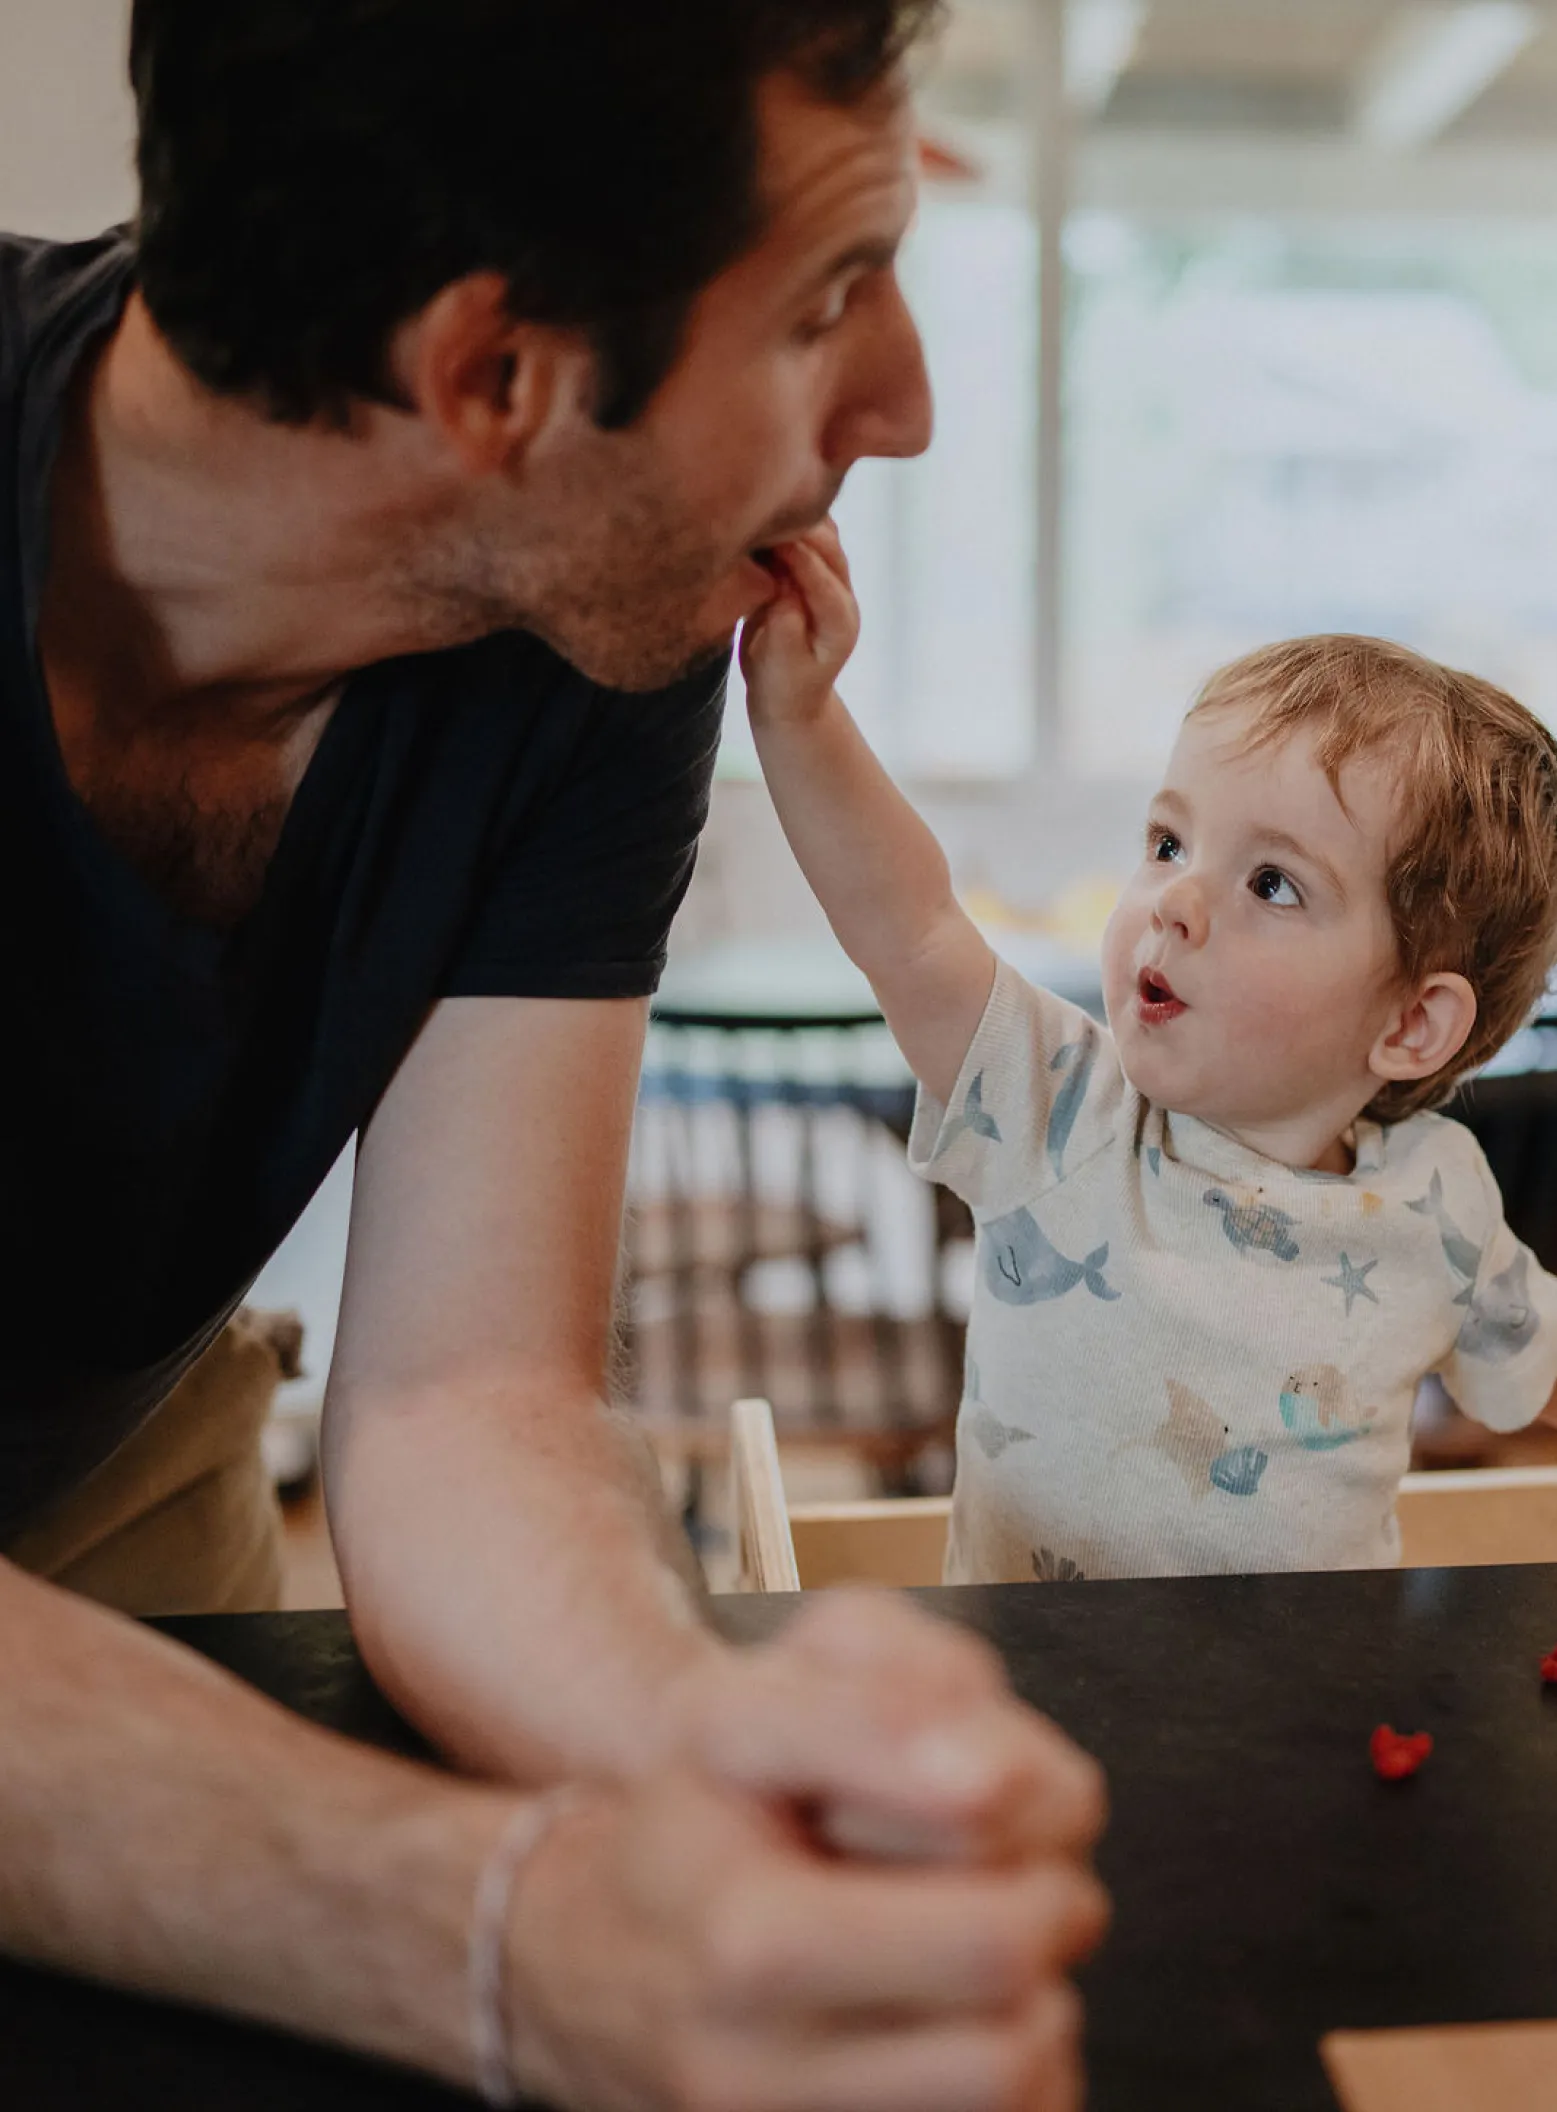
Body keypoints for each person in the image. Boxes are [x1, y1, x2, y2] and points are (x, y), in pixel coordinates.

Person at [0, 0, 1110, 2102]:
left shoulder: (592, 617)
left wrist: (703, 1751)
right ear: (492, 377)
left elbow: (462, 1393)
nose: (909, 403)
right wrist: (501, 1936)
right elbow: (475, 1933)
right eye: (824, 301)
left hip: (122, 1449)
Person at [742, 522, 1557, 1584]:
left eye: (1272, 884)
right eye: (1169, 843)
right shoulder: (1060, 1105)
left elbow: (1529, 1378)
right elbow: (914, 926)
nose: (1174, 900)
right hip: (1031, 1712)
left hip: (1292, 1727)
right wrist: (801, 716)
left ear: (1410, 1025)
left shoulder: (1444, 1202)